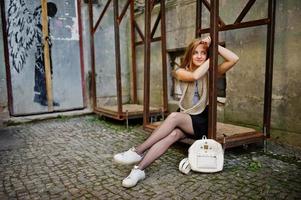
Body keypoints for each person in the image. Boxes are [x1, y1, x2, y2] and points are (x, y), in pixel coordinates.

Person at [113, 36, 239, 188]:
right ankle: (138, 170)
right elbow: (194, 76)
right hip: (186, 118)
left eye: (203, 53)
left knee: (173, 116)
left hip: (202, 122)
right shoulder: (180, 71)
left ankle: (138, 151)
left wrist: (213, 45)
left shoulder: (210, 72)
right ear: (189, 55)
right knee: (172, 135)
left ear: (207, 55)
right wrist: (210, 56)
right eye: (195, 53)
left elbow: (234, 58)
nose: (199, 56)